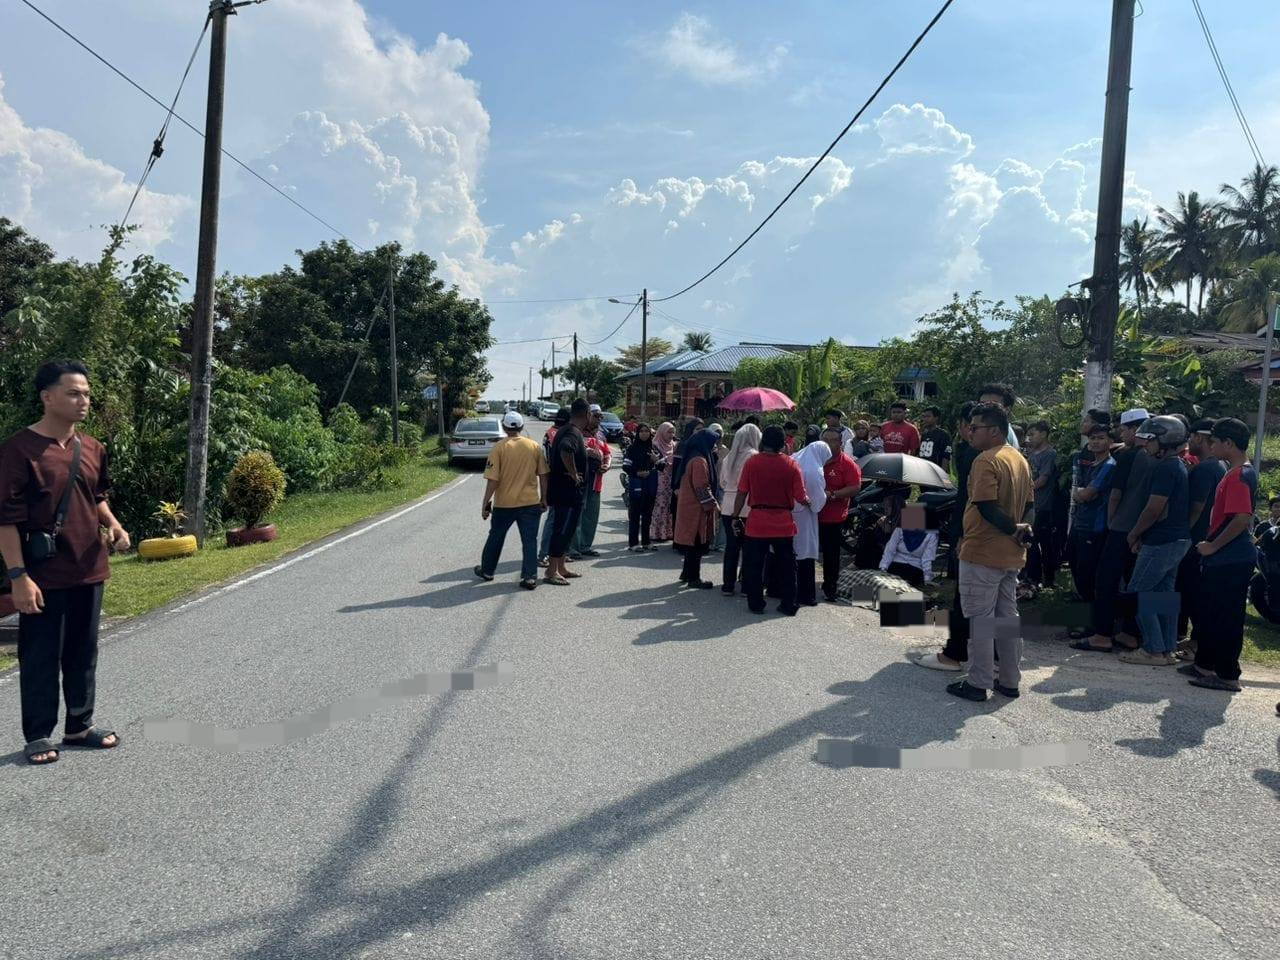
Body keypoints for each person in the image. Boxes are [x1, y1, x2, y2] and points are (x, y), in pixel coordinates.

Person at [0, 360, 128, 765]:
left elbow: (96, 496)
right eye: (73, 393)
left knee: (83, 650)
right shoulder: (18, 450)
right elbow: (6, 520)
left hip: (89, 566)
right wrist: (18, 576)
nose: (83, 400)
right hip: (42, 574)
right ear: (47, 396)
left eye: (86, 393)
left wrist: (114, 525)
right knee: (40, 655)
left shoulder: (92, 448)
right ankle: (39, 734)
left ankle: (79, 725)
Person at [947, 401, 1033, 702]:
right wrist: (1023, 531)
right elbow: (1030, 505)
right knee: (1007, 619)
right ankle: (1009, 681)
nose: (969, 432)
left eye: (975, 427)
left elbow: (985, 505)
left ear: (994, 430)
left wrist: (1012, 529)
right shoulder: (1019, 459)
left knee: (981, 621)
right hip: (1011, 555)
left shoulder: (985, 460)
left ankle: (978, 682)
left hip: (983, 552)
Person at [1183, 418, 1256, 692]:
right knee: (1212, 612)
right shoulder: (1234, 471)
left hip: (1232, 556)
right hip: (1225, 555)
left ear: (1228, 443)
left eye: (1214, 441)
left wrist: (1213, 546)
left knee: (1227, 617)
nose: (1210, 445)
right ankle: (1205, 665)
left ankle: (1227, 674)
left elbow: (1241, 518)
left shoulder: (1239, 475)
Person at [1074, 408, 1152, 652]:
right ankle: (1130, 632)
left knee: (1105, 581)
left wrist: (1110, 523)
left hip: (1119, 527)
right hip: (1142, 528)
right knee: (1134, 582)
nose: (1120, 433)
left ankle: (1102, 634)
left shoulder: (1126, 458)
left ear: (1134, 430)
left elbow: (1115, 496)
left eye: (1122, 429)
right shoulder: (1155, 457)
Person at [1118, 417, 1191, 665]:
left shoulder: (1165, 468)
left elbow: (1154, 509)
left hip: (1162, 540)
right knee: (1163, 594)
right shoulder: (1176, 465)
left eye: (1150, 440)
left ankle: (1153, 649)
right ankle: (1166, 649)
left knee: (1139, 591)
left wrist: (1134, 533)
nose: (1145, 445)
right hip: (1177, 539)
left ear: (1165, 441)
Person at [913, 403, 978, 672]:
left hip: (972, 532)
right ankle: (990, 658)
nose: (969, 431)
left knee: (965, 596)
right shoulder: (1007, 454)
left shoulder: (973, 453)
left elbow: (976, 499)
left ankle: (956, 654)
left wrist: (962, 534)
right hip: (976, 531)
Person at [731, 425, 809, 615]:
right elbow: (801, 496)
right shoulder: (791, 465)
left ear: (763, 441)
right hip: (783, 522)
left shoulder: (752, 463)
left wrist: (735, 515)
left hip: (757, 521)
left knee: (754, 565)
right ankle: (788, 604)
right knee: (787, 566)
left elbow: (742, 492)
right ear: (783, 443)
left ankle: (756, 603)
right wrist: (811, 502)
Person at [475, 411, 548, 590]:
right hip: (530, 502)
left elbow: (493, 480)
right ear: (522, 427)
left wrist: (485, 503)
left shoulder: (498, 448)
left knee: (496, 536)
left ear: (504, 427)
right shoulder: (534, 446)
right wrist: (544, 498)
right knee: (530, 540)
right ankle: (530, 577)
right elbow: (543, 475)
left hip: (504, 504)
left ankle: (487, 570)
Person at [1176, 420, 1226, 654]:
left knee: (1188, 591)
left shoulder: (1205, 469)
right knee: (1190, 591)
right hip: (1203, 538)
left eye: (1191, 437)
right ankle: (1187, 637)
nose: (1189, 442)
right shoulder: (1219, 465)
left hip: (1193, 540)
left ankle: (1194, 642)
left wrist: (1182, 535)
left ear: (1199, 437)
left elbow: (1197, 507)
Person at [1066, 425, 1116, 602]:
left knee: (1087, 569)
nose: (1095, 442)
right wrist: (1080, 493)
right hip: (1080, 522)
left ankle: (1092, 607)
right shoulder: (1090, 465)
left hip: (1094, 526)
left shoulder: (1109, 466)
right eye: (1092, 438)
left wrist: (1080, 493)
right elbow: (1080, 492)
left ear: (1110, 441)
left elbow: (1086, 494)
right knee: (1073, 560)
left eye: (1101, 438)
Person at [543, 399, 590, 586]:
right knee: (561, 531)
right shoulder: (572, 432)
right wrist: (574, 474)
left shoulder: (567, 430)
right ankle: (551, 571)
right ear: (586, 414)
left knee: (568, 531)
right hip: (567, 493)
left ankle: (561, 567)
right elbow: (565, 450)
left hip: (567, 493)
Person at [818, 427, 862, 602]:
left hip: (833, 517)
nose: (829, 444)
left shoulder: (848, 464)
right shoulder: (814, 459)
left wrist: (833, 495)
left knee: (831, 554)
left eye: (833, 440)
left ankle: (830, 587)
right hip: (810, 515)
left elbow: (855, 487)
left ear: (841, 443)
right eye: (825, 440)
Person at [673, 429, 721, 589]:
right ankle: (694, 578)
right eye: (713, 443)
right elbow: (701, 487)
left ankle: (687, 573)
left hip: (688, 505)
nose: (715, 446)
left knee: (691, 543)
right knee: (697, 543)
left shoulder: (693, 456)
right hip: (696, 508)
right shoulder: (700, 461)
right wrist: (714, 505)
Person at [719, 424, 761, 594]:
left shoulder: (729, 457)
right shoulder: (754, 456)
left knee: (731, 546)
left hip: (728, 505)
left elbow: (722, 482)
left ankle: (728, 585)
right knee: (749, 548)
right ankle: (745, 584)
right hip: (746, 506)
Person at [792, 440, 831, 606]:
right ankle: (805, 595)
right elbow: (816, 500)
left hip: (791, 511)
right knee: (805, 552)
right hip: (805, 514)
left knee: (791, 550)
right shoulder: (815, 470)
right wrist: (826, 496)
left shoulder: (795, 458)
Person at [1022, 420, 1059, 590]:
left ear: (1044, 434)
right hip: (1031, 504)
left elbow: (1043, 480)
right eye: (1028, 435)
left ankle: (1048, 578)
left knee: (1044, 543)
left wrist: (1025, 490)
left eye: (1033, 434)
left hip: (1043, 505)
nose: (1029, 438)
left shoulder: (1050, 454)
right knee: (1031, 540)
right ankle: (1033, 576)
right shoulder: (1030, 454)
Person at [573, 406, 612, 558]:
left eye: (601, 416)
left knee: (591, 515)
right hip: (579, 480)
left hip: (596, 481)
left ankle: (585, 546)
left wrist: (606, 464)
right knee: (577, 515)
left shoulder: (600, 435)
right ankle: (573, 548)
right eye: (596, 416)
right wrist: (588, 451)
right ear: (588, 415)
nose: (599, 419)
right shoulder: (576, 432)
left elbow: (607, 453)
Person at [537, 407, 573, 565]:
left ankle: (559, 553)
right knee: (554, 518)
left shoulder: (551, 432)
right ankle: (545, 553)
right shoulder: (559, 434)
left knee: (562, 518)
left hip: (555, 479)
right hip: (558, 479)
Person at [622, 423, 663, 551]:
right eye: (641, 431)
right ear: (638, 433)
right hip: (636, 483)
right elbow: (626, 466)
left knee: (648, 514)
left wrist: (656, 460)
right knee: (635, 514)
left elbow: (662, 466)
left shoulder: (654, 448)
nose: (644, 433)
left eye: (647, 431)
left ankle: (646, 541)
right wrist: (637, 473)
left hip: (650, 485)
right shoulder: (632, 448)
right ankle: (633, 543)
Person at [879, 503, 939, 588]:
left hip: (915, 568)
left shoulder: (931, 535)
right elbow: (890, 550)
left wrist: (927, 579)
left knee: (899, 587)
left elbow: (927, 559)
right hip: (896, 564)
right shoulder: (899, 530)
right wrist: (883, 568)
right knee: (886, 586)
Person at [650, 422, 677, 543]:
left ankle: (667, 532)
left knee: (669, 505)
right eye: (669, 432)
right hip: (659, 479)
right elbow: (654, 462)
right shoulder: (655, 445)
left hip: (671, 479)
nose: (671, 435)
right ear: (662, 432)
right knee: (660, 505)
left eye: (673, 432)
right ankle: (657, 533)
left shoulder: (674, 445)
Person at [977, 383, 1021, 449]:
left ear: (1007, 409)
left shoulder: (1000, 437)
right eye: (982, 405)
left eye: (992, 406)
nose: (984, 409)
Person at [917, 406, 951, 471]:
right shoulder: (923, 435)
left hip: (935, 470)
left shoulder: (943, 435)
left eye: (928, 416)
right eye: (924, 416)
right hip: (922, 469)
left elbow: (946, 456)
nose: (925, 419)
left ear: (936, 418)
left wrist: (942, 473)